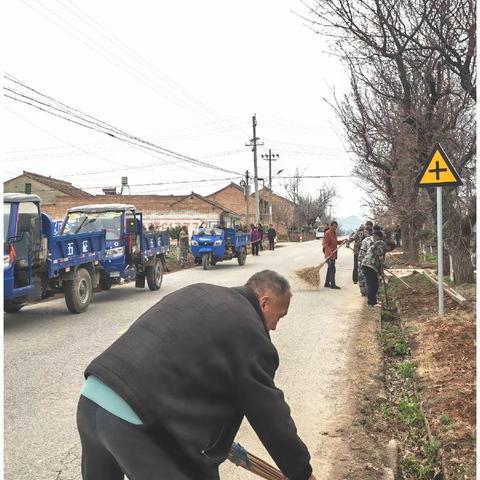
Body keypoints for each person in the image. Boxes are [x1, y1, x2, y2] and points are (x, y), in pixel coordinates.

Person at [76, 270, 317, 480]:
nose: (275, 326)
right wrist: (301, 472)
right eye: (279, 316)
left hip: (92, 398)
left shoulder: (200, 292)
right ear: (265, 302)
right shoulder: (250, 332)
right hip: (134, 421)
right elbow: (269, 414)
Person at [362, 235, 396, 307]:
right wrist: (381, 272)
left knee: (375, 284)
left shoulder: (382, 247)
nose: (388, 251)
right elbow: (380, 261)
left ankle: (373, 300)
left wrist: (383, 269)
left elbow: (380, 262)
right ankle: (371, 302)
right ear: (388, 246)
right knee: (372, 284)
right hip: (369, 265)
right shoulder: (380, 245)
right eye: (389, 249)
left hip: (371, 266)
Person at [322, 220, 344, 289]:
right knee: (332, 269)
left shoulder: (334, 233)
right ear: (330, 226)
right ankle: (333, 284)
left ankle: (327, 283)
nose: (335, 228)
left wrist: (342, 241)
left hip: (333, 254)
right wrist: (329, 252)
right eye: (334, 227)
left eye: (336, 227)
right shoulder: (327, 233)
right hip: (329, 255)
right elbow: (325, 244)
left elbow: (335, 242)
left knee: (330, 268)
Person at [357, 226, 374, 296]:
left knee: (362, 276)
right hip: (367, 260)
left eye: (365, 231)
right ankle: (366, 291)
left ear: (367, 232)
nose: (363, 233)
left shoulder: (367, 240)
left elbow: (364, 252)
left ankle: (364, 291)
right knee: (366, 276)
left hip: (363, 259)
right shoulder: (372, 239)